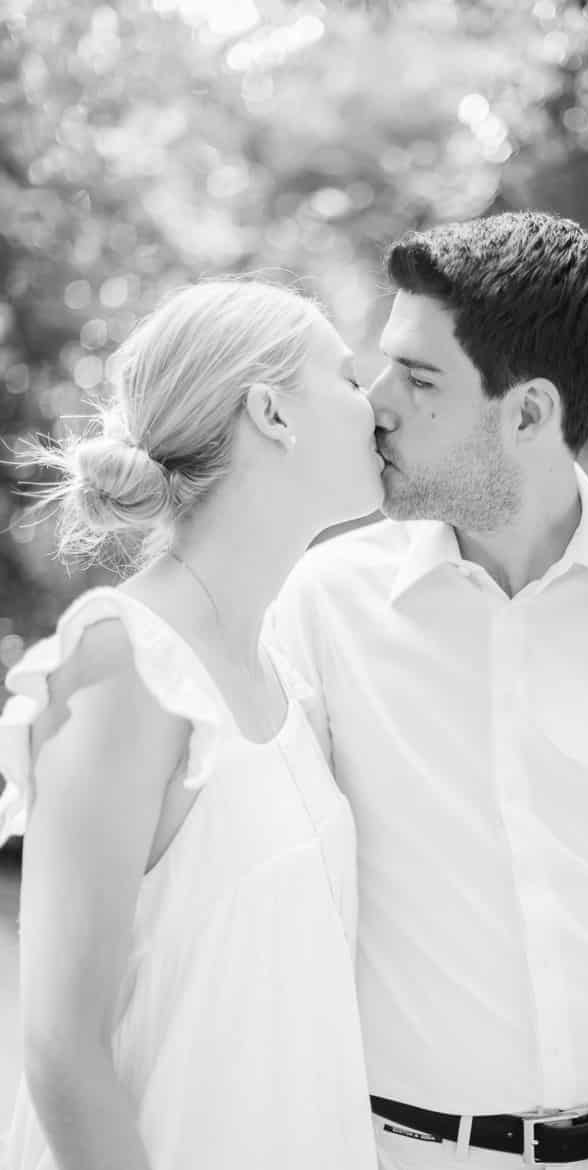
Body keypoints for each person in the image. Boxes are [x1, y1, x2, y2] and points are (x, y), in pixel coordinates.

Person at [266, 212, 588, 1170]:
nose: (375, 403)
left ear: (530, 413)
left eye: (419, 379)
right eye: (387, 368)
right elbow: (270, 900)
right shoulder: (325, 605)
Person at [0, 279, 382, 1169]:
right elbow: (63, 1050)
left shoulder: (281, 676)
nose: (377, 408)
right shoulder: (125, 663)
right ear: (272, 413)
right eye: (350, 377)